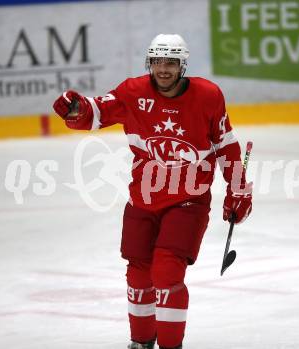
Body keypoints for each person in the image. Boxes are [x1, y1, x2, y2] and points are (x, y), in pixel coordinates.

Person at [52, 34, 252, 349]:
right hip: (142, 197)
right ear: (150, 63)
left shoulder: (208, 96)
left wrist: (237, 187)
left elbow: (226, 145)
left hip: (189, 199)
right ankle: (141, 342)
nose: (163, 69)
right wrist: (75, 108)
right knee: (138, 274)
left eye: (170, 62)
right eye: (157, 62)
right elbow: (97, 112)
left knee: (167, 272)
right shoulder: (132, 93)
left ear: (182, 65)